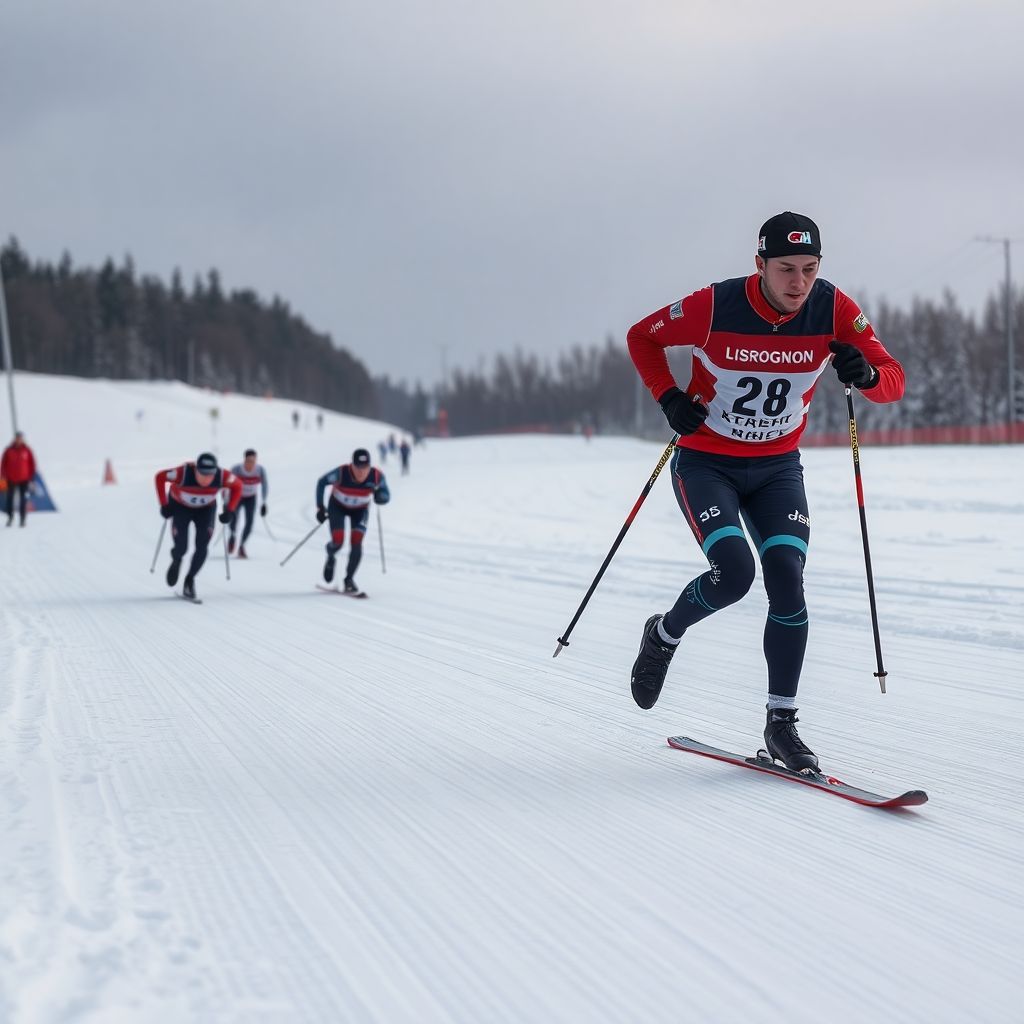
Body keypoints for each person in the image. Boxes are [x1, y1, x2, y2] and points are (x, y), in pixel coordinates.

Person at [626, 212, 905, 771]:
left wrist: (866, 374)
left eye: (809, 269)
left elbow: (892, 380)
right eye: (785, 269)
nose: (798, 283)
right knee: (734, 573)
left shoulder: (834, 309)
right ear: (759, 266)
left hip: (777, 469)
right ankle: (663, 635)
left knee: (786, 579)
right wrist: (668, 398)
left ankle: (781, 725)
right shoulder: (716, 305)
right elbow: (643, 338)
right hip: (708, 462)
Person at [154, 452, 242, 600]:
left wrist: (230, 510)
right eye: (202, 474)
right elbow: (160, 477)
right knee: (182, 546)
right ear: (195, 469)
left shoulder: (222, 476)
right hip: (181, 507)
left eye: (210, 474)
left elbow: (238, 486)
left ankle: (190, 580)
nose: (206, 478)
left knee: (202, 546)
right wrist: (164, 504)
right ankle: (176, 560)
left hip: (206, 510)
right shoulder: (182, 473)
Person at [314, 448, 390, 594]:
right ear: (352, 465)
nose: (362, 472)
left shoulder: (376, 476)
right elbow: (321, 482)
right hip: (338, 507)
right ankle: (330, 556)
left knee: (357, 542)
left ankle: (349, 580)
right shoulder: (341, 473)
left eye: (365, 468)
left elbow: (387, 494)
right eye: (358, 468)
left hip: (360, 511)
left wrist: (382, 496)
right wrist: (320, 508)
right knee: (338, 541)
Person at [228, 448, 268, 557]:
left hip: (251, 498)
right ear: (244, 460)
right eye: (249, 460)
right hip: (237, 497)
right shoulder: (237, 469)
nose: (251, 463)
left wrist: (264, 502)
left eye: (253, 460)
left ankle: (241, 545)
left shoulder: (260, 470)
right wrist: (226, 500)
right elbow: (228, 485)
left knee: (249, 522)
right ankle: (232, 538)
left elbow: (265, 485)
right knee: (233, 519)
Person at [1, 431, 36, 527]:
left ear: (22, 439)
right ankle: (10, 518)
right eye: (17, 438)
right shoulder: (8, 450)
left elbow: (32, 464)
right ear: (15, 439)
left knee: (23, 500)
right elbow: (3, 464)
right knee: (9, 499)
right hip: (10, 479)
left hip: (24, 480)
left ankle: (22, 519)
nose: (18, 440)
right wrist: (3, 476)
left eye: (20, 438)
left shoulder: (27, 450)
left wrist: (31, 478)